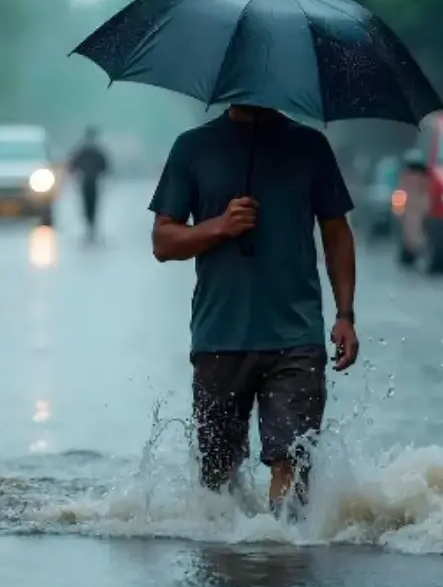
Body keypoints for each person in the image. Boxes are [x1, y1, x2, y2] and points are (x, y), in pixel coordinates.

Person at [149, 104, 359, 518]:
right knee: (217, 476)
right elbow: (162, 241)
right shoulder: (192, 147)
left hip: (296, 338)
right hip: (219, 336)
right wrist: (219, 227)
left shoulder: (309, 146)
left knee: (292, 462)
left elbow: (337, 233)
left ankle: (283, 563)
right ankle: (231, 563)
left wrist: (345, 314)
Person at [68, 126, 110, 239]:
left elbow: (105, 167)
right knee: (88, 204)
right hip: (87, 182)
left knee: (91, 204)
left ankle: (91, 225)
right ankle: (90, 225)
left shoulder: (90, 152)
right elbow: (73, 165)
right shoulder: (87, 152)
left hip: (91, 182)